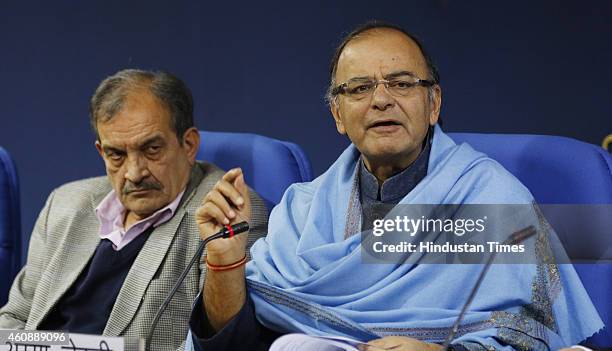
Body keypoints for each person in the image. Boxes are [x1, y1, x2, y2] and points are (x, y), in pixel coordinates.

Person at [189, 22, 603, 350]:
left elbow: (530, 337)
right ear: (338, 114)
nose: (382, 100)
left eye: (403, 84)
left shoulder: (491, 198)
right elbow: (237, 342)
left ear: (434, 104)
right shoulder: (302, 209)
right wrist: (225, 262)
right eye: (360, 88)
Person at [0, 69, 268, 350]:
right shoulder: (65, 203)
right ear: (101, 152)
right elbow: (17, 315)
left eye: (151, 149)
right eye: (117, 154)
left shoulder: (225, 213)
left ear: (188, 145)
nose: (134, 173)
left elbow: (227, 342)